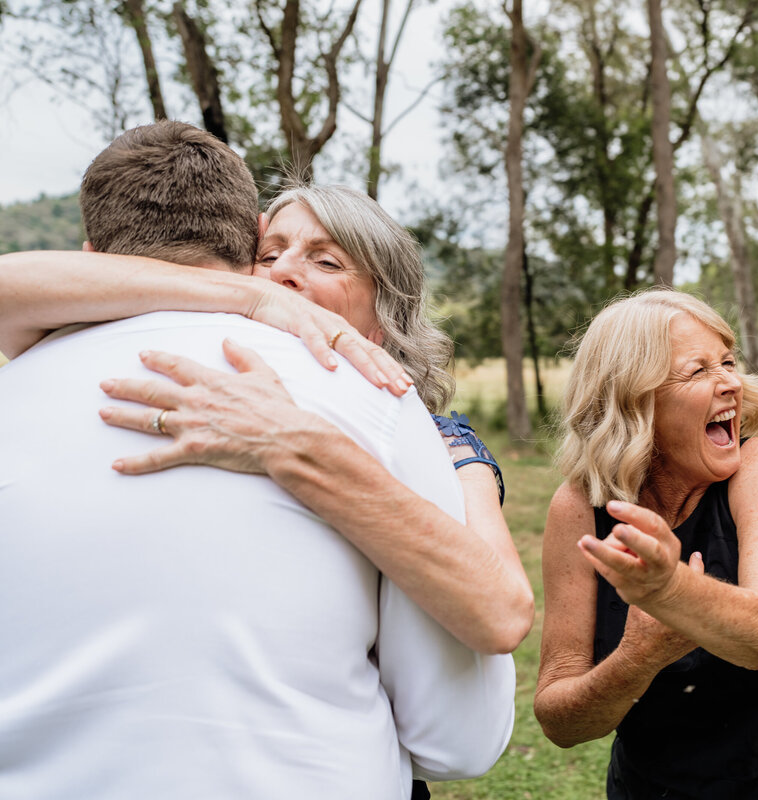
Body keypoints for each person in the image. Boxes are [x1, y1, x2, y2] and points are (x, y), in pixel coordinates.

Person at [0, 120, 515, 798]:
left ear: (94, 256)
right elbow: (460, 737)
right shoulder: (374, 408)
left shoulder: (20, 385)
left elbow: (498, 608)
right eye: (271, 258)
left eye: (327, 263)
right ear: (246, 245)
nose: (286, 277)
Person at [534, 289, 758, 798]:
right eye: (699, 370)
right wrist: (637, 657)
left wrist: (671, 590)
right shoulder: (578, 507)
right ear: (634, 398)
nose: (732, 382)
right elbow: (560, 720)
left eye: (728, 362)